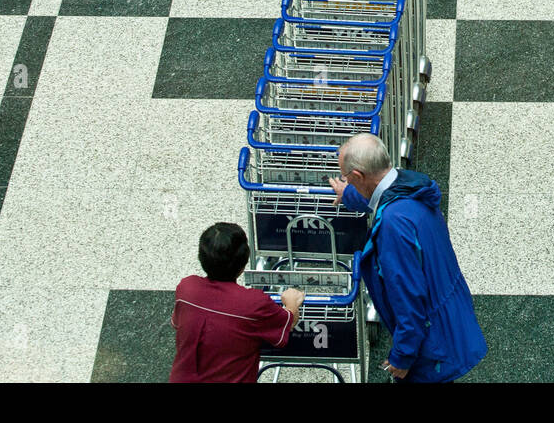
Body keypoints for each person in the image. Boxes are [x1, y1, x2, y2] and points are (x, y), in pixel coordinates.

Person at [328, 134, 486, 382]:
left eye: (349, 178)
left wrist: (402, 356)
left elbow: (408, 296)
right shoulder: (410, 185)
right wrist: (349, 194)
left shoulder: (393, 226)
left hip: (431, 342)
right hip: (449, 316)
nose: (348, 182)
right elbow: (380, 195)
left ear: (358, 176)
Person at [169, 222, 304, 383]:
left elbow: (179, 323)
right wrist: (292, 301)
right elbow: (289, 321)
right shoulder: (254, 303)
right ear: (243, 262)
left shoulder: (186, 289)